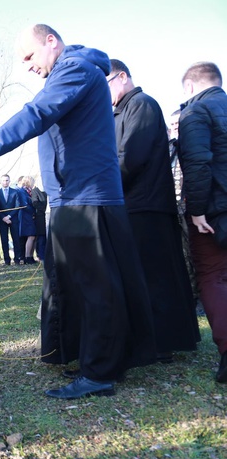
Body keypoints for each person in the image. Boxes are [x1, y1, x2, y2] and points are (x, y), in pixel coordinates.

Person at [0, 24, 156, 399]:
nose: (26, 66)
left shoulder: (75, 70)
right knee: (74, 286)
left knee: (95, 287)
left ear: (51, 42)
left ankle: (100, 373)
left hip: (85, 199)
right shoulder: (70, 73)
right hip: (70, 199)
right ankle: (89, 356)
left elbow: (34, 116)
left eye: (29, 56)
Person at [108, 58, 200, 361]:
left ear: (122, 77)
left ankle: (163, 342)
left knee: (157, 277)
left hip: (148, 206)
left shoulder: (142, 105)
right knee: (143, 277)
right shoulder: (119, 111)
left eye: (105, 84)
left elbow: (131, 157)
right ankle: (150, 339)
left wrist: (101, 184)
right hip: (132, 205)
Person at [177, 61, 227, 381]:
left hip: (214, 212)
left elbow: (197, 164)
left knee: (214, 277)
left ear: (190, 87)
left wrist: (196, 211)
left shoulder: (195, 113)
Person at [0, 174, 22, 264]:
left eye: (7, 180)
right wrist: (3, 218)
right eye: (3, 180)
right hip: (2, 220)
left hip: (13, 219)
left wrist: (9, 216)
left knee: (16, 239)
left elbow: (17, 206)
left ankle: (17, 258)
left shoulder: (15, 192)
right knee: (4, 239)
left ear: (9, 181)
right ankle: (7, 259)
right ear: (0, 181)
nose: (5, 182)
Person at [17, 176, 37, 264]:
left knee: (33, 236)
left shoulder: (29, 191)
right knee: (31, 236)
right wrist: (33, 211)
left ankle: (30, 256)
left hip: (30, 216)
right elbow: (24, 205)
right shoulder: (21, 191)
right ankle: (27, 256)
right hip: (26, 216)